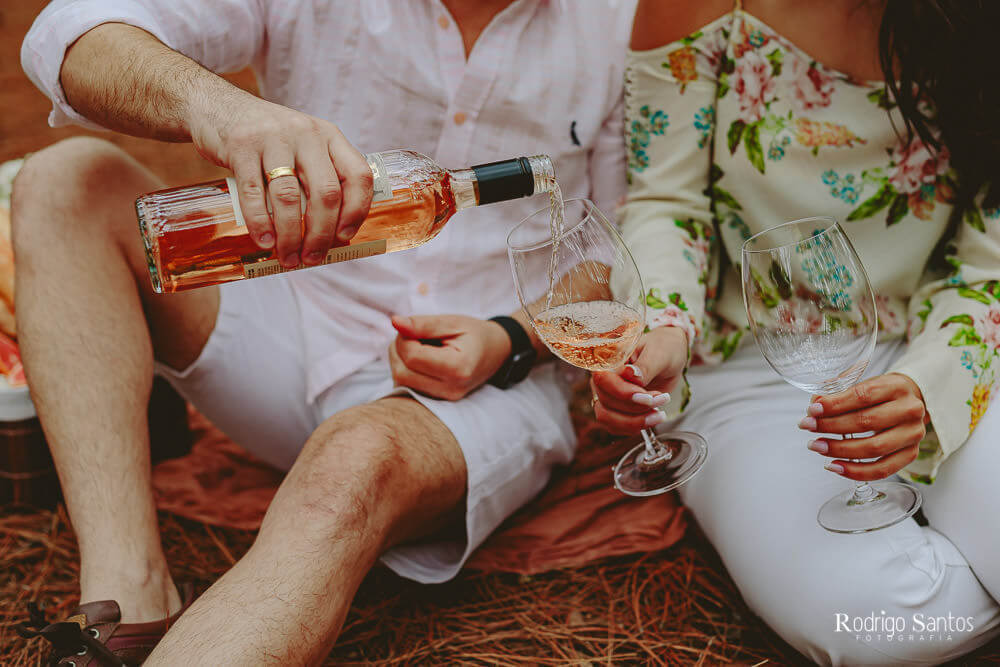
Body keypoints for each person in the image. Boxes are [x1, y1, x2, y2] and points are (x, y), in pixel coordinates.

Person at [13, 0, 634, 663]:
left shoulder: (624, 18)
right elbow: (69, 35)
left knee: (354, 457)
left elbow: (620, 247)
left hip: (486, 388)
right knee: (65, 182)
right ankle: (129, 596)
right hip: (295, 323)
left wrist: (512, 336)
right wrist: (221, 109)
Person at [591, 0, 1000, 663]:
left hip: (940, 346)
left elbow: (991, 270)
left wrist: (928, 388)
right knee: (868, 625)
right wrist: (664, 330)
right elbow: (668, 200)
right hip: (748, 366)